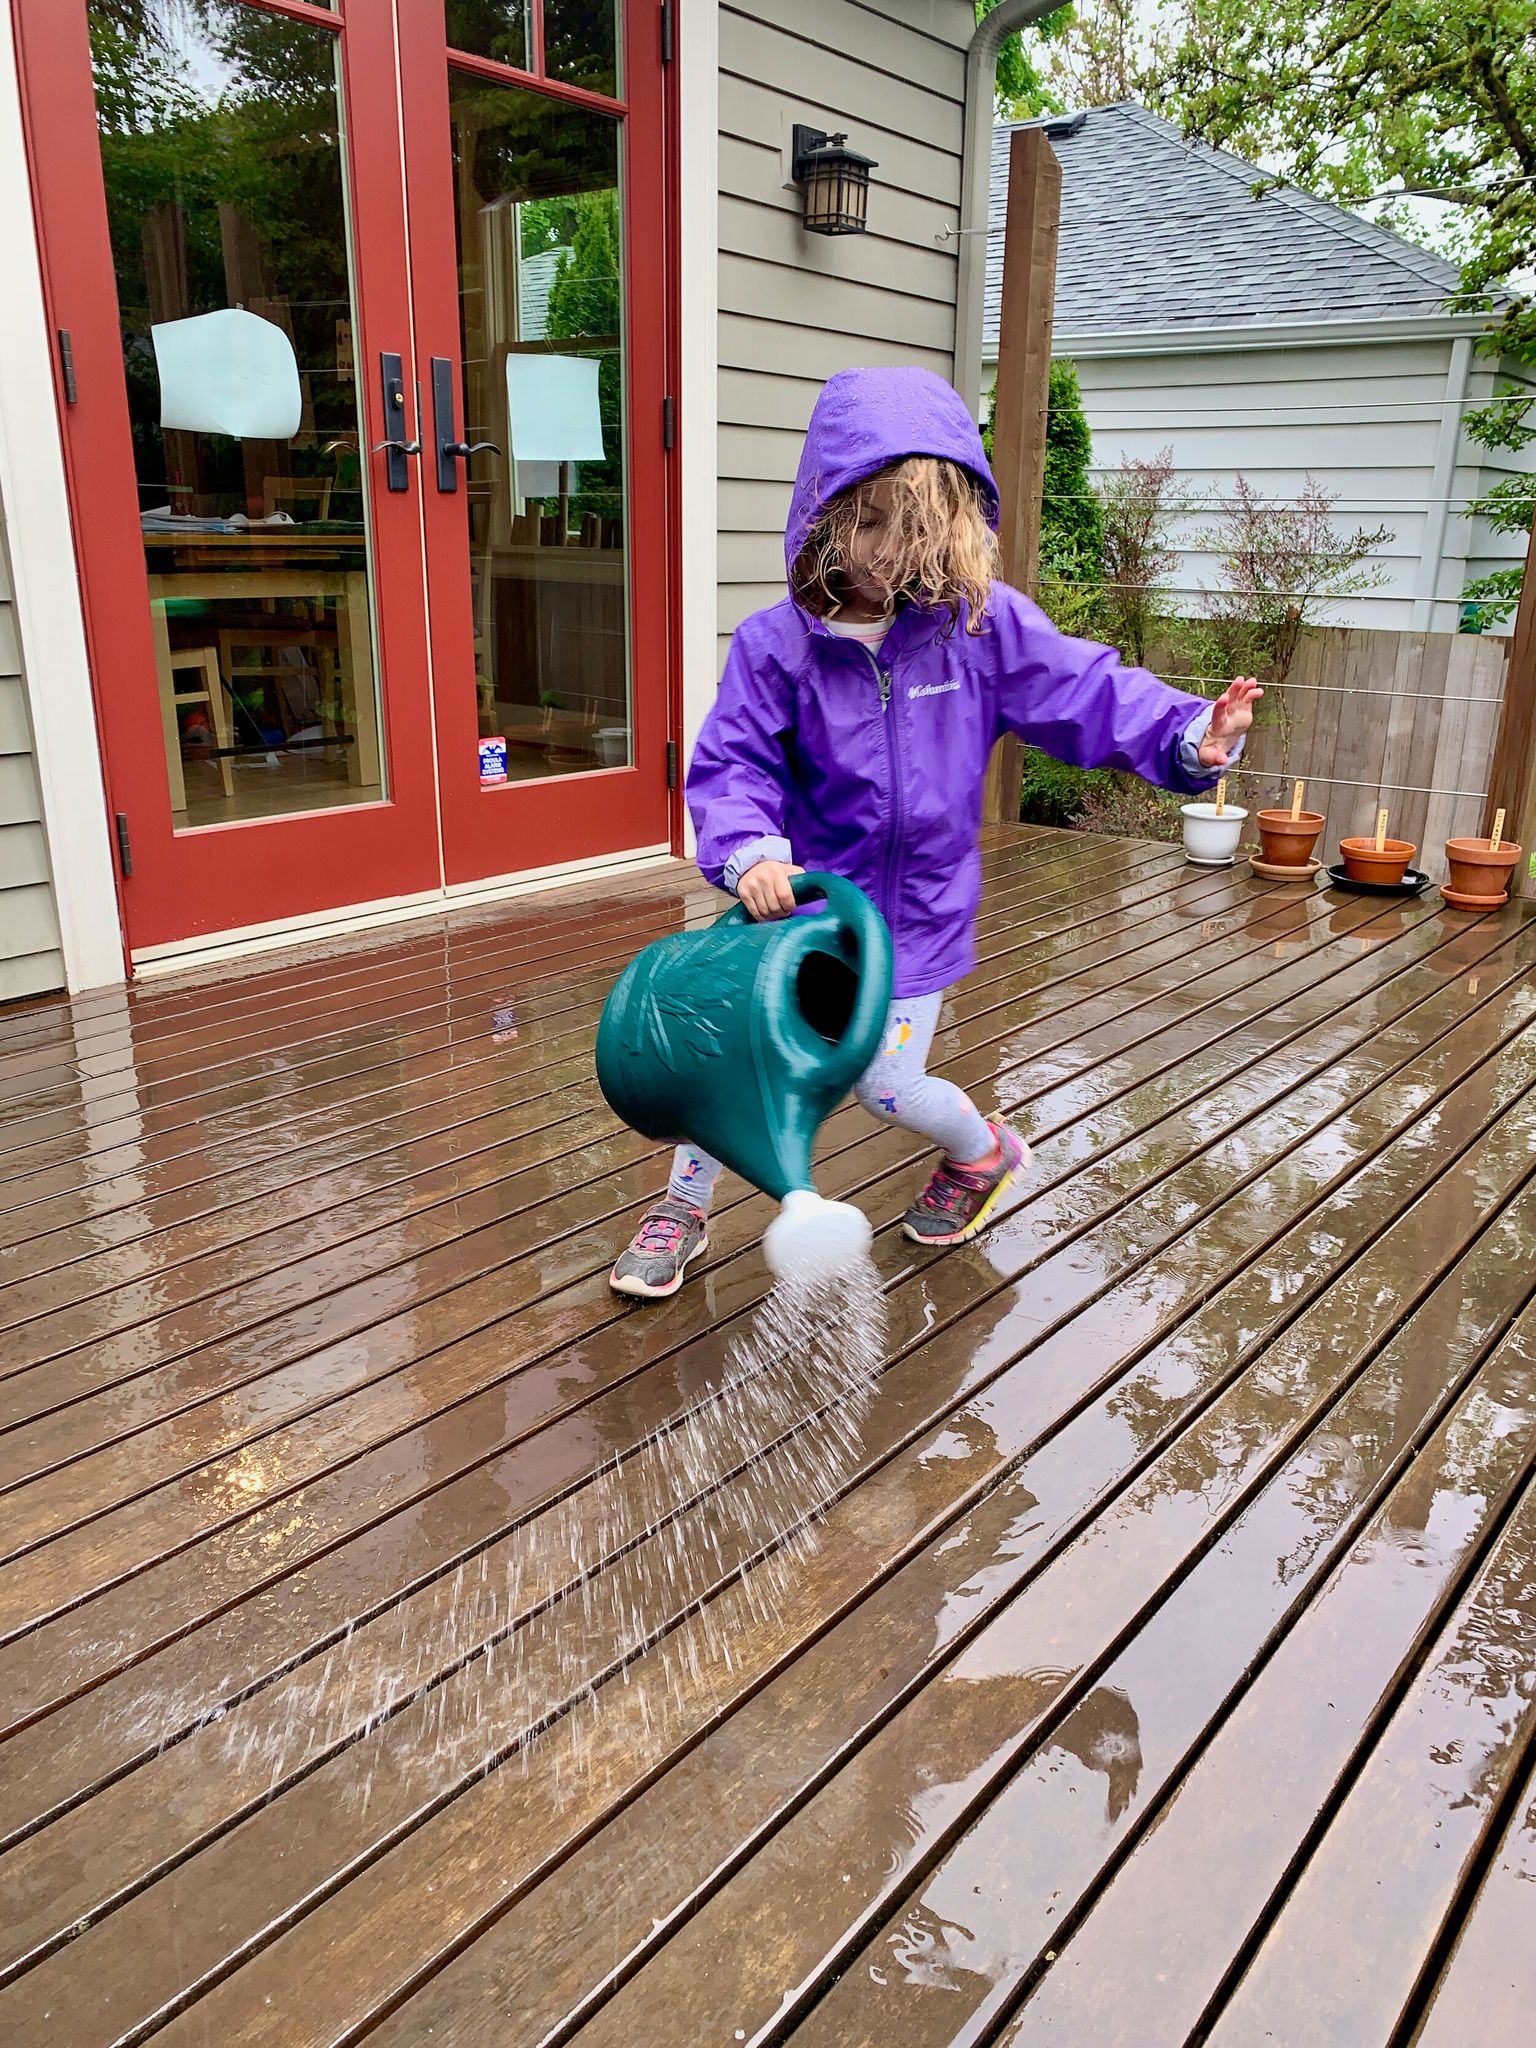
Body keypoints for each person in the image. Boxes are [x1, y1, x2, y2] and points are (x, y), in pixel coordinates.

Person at [610, 366, 1260, 1299]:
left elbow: (1092, 695)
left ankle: (982, 1153)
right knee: (732, 1050)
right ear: (822, 516)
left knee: (883, 1086)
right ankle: (685, 1203)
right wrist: (750, 849)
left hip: (911, 925)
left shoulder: (981, 633)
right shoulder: (775, 648)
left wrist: (1191, 733)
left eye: (910, 528)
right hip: (792, 915)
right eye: (865, 521)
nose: (883, 552)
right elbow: (733, 767)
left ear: (953, 526)